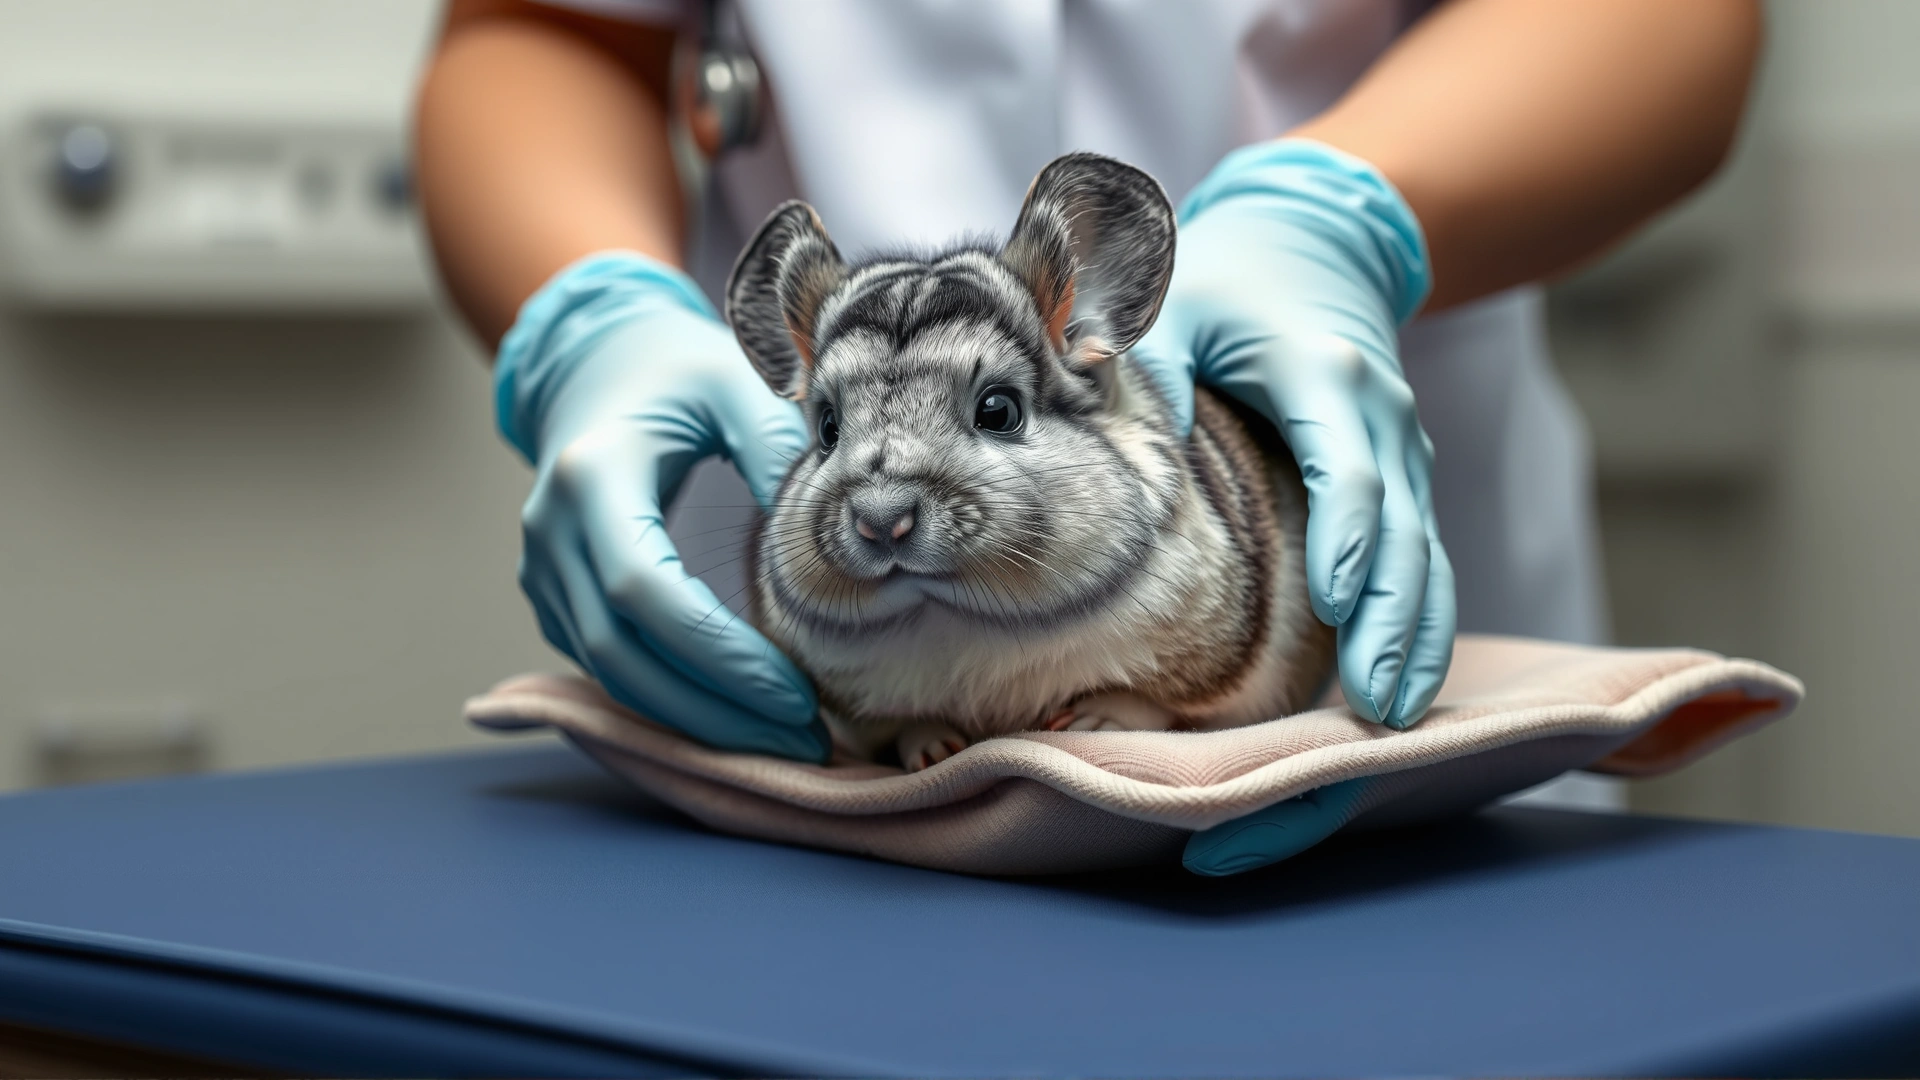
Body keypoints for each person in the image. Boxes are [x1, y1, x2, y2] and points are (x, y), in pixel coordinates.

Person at [413, 0, 1761, 873]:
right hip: (800, 719)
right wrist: (590, 319)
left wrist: (1342, 212)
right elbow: (547, 29)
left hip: (1392, 406)